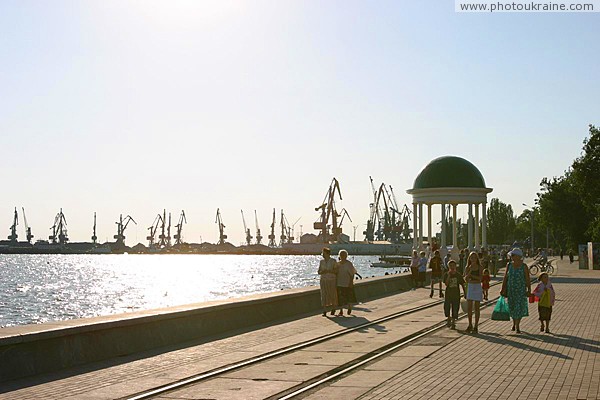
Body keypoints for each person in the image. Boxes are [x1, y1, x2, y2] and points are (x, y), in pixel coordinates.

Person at [501, 248, 531, 333]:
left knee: (519, 307)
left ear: (518, 256)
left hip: (521, 290)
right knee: (512, 307)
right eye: (511, 255)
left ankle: (517, 325)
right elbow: (505, 278)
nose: (512, 257)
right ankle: (514, 323)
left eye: (513, 255)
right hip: (511, 290)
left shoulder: (524, 266)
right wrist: (503, 288)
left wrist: (529, 289)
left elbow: (527, 278)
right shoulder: (509, 265)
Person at [443, 260, 466, 329]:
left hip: (456, 293)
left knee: (455, 308)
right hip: (448, 293)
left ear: (455, 266)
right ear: (448, 267)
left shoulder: (458, 275)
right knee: (446, 307)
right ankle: (449, 318)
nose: (452, 267)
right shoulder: (446, 274)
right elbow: (446, 284)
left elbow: (462, 284)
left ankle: (453, 322)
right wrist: (449, 276)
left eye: (453, 265)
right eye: (450, 266)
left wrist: (465, 293)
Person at [465, 251, 483, 333]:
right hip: (471, 287)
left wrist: (472, 276)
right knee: (469, 308)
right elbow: (466, 279)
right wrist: (470, 271)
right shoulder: (467, 267)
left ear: (477, 259)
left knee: (477, 307)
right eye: (471, 257)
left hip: (477, 287)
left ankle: (476, 325)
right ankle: (470, 324)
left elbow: (480, 279)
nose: (473, 259)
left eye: (474, 257)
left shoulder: (480, 267)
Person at [335, 249, 357, 316]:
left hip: (347, 283)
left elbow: (352, 274)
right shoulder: (337, 264)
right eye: (341, 255)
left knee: (348, 297)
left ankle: (349, 307)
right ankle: (341, 311)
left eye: (344, 255)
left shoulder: (349, 264)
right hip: (339, 282)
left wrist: (351, 282)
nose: (342, 256)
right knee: (340, 298)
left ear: (346, 256)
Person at [318, 247, 338, 316]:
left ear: (327, 254)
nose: (322, 255)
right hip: (323, 279)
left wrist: (329, 271)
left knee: (332, 293)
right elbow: (319, 271)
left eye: (324, 253)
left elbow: (336, 271)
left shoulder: (333, 261)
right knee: (324, 294)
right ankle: (324, 310)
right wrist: (322, 271)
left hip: (331, 280)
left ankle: (333, 308)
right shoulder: (321, 262)